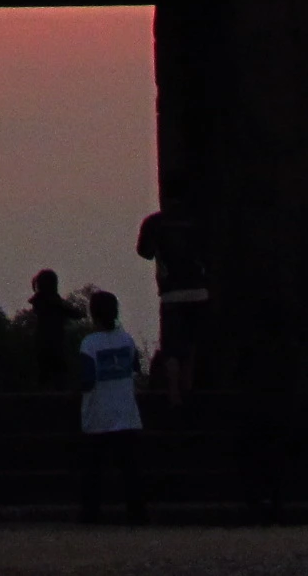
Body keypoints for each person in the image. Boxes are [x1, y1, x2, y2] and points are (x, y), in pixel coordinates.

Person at [77, 288, 146, 525]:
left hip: (98, 417)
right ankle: (137, 514)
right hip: (126, 413)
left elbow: (87, 380)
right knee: (131, 471)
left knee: (93, 471)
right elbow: (135, 368)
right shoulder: (126, 340)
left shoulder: (89, 344)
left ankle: (91, 514)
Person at [136, 204, 210, 409]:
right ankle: (188, 386)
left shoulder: (155, 222)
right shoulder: (198, 221)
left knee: (172, 347)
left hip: (172, 293)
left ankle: (174, 393)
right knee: (191, 343)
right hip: (199, 290)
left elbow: (145, 252)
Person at [29, 268, 75, 389]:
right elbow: (70, 312)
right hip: (55, 343)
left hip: (43, 343)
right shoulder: (52, 302)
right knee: (58, 375)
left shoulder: (39, 301)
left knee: (44, 376)